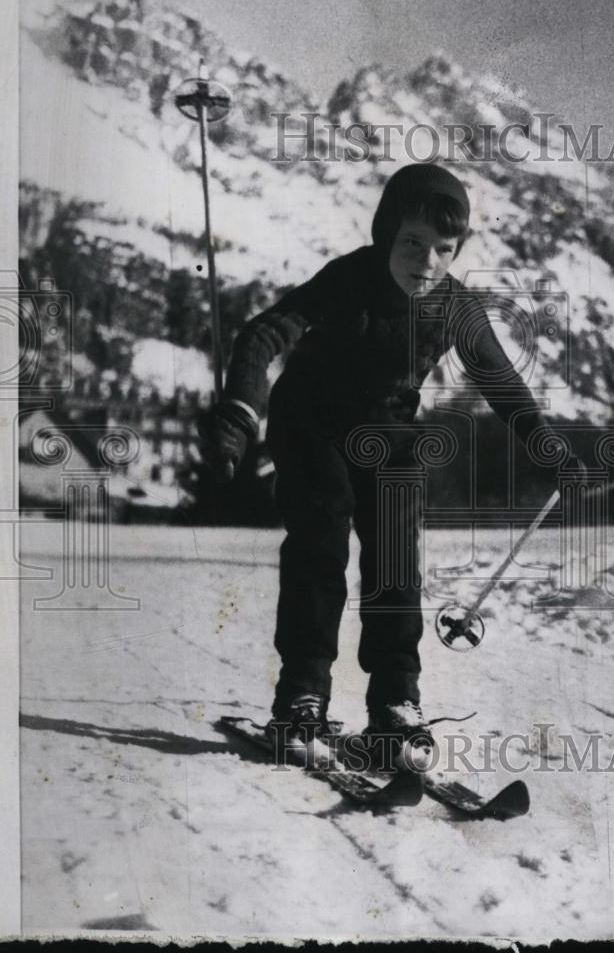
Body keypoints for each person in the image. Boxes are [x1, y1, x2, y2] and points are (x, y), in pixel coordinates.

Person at [198, 162, 564, 750]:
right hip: (311, 420)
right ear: (385, 234)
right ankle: (303, 695)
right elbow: (263, 334)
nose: (427, 261)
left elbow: (501, 381)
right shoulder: (348, 278)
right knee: (321, 542)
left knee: (395, 558)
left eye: (444, 250)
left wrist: (550, 452)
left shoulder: (455, 308)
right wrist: (240, 413)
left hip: (388, 431)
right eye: (412, 243)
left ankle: (395, 699)